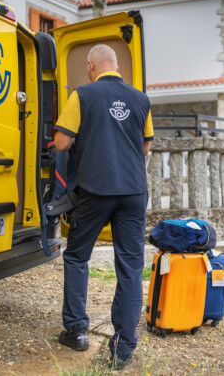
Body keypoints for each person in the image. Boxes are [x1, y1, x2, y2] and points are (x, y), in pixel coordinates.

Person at [54, 44, 154, 370]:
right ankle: (122, 349)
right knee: (129, 268)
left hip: (96, 190)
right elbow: (146, 146)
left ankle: (77, 329)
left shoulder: (81, 95)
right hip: (134, 192)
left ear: (91, 66)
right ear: (116, 66)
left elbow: (61, 142)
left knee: (77, 255)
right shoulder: (141, 99)